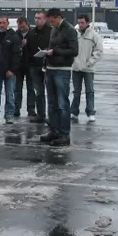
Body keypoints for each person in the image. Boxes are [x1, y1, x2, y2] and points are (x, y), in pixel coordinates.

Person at [41, 8, 79, 147]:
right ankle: (54, 131)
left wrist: (55, 51)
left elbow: (74, 51)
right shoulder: (54, 29)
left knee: (62, 104)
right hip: (50, 68)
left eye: (52, 21)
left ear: (58, 17)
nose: (51, 23)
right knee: (52, 103)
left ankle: (64, 134)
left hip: (62, 70)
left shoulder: (69, 30)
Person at [71, 14, 103, 123]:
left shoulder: (94, 35)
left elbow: (99, 51)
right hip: (76, 68)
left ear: (87, 23)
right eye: (79, 22)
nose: (80, 25)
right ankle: (74, 112)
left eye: (82, 23)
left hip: (88, 69)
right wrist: (73, 62)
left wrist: (90, 62)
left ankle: (90, 112)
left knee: (90, 91)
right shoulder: (75, 35)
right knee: (76, 91)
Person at [25, 11, 51, 124]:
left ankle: (52, 116)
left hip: (48, 66)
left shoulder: (51, 32)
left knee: (51, 92)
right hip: (34, 66)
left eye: (39, 18)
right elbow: (27, 49)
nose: (37, 20)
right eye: (35, 18)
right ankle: (41, 114)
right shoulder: (31, 33)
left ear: (45, 19)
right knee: (38, 92)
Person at [13, 17, 35, 118]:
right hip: (19, 66)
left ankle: (31, 109)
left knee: (31, 88)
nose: (21, 28)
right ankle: (16, 109)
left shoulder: (33, 33)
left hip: (30, 64)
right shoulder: (15, 34)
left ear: (27, 24)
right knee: (17, 89)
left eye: (23, 26)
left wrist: (29, 44)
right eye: (19, 26)